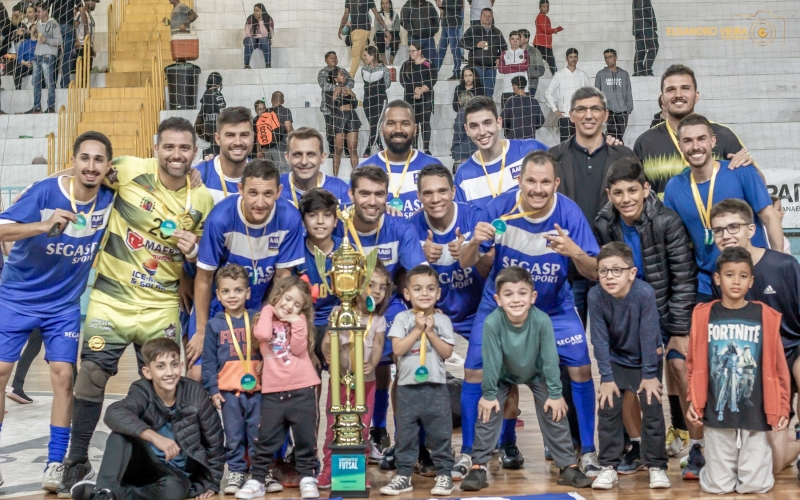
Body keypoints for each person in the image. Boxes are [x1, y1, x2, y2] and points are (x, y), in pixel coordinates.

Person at [56, 118, 215, 497]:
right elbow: (80, 175)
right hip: (111, 298)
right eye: (169, 147)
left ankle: (165, 463)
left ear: (194, 153)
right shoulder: (127, 169)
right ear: (156, 148)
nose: (176, 155)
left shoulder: (203, 199)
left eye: (184, 148)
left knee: (167, 384)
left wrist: (190, 262)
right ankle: (77, 459)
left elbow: (203, 262)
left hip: (161, 305)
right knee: (91, 376)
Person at [459, 150, 601, 477]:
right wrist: (473, 243)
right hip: (499, 307)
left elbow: (595, 272)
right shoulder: (500, 208)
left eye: (545, 182)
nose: (538, 189)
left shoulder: (568, 213)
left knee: (580, 368)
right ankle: (469, 453)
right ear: (519, 181)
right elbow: (467, 261)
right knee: (474, 372)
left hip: (553, 307)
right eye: (531, 181)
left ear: (556, 184)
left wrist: (574, 251)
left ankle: (589, 451)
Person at [0, 132, 114, 491]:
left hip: (62, 305)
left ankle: (55, 464)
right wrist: (42, 225)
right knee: (1, 372)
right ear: (74, 160)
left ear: (108, 165)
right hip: (16, 297)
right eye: (84, 158)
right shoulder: (45, 193)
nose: (91, 166)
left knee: (65, 376)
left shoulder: (111, 198)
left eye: (99, 160)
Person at [593, 157, 697, 472]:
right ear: (609, 194)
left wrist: (679, 330)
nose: (626, 199)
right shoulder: (603, 223)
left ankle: (697, 446)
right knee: (628, 383)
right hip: (629, 315)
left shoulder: (667, 221)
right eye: (619, 192)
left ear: (646, 189)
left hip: (665, 312)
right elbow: (605, 276)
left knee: (680, 368)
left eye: (632, 191)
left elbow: (683, 277)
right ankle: (638, 447)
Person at [459, 267, 593, 491]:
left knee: (555, 409)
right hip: (502, 373)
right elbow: (490, 361)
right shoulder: (492, 322)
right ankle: (478, 466)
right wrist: (490, 394)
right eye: (508, 294)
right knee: (487, 410)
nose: (516, 299)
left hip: (537, 372)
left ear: (533, 297)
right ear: (498, 299)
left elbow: (551, 359)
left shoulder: (541, 321)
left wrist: (556, 394)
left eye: (522, 293)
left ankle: (568, 466)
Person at [686, 247, 790, 494]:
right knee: (718, 487)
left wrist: (782, 405)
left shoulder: (765, 315)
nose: (736, 281)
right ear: (717, 278)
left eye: (743, 275)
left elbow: (778, 366)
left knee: (756, 486)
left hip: (754, 409)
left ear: (751, 280)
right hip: (715, 407)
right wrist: (693, 399)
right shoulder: (703, 315)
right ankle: (711, 466)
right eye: (730, 274)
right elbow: (693, 363)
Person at [192, 160, 305, 384]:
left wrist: (270, 320)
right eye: (253, 193)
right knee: (197, 373)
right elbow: (204, 279)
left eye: (268, 193)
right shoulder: (220, 218)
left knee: (263, 370)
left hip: (259, 306)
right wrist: (202, 331)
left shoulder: (290, 218)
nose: (260, 202)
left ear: (279, 192)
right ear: (240, 189)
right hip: (220, 304)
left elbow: (282, 279)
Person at [68, 338, 224, 500]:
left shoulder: (195, 393)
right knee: (119, 436)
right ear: (147, 372)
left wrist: (212, 483)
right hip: (143, 466)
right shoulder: (142, 389)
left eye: (174, 364)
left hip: (176, 476)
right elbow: (115, 412)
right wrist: (154, 437)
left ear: (182, 366)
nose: (169, 372)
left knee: (174, 490)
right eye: (160, 366)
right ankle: (104, 491)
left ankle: (105, 494)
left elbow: (215, 443)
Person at [709, 199, 800, 473]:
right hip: (758, 365)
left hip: (792, 349)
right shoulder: (721, 275)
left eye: (733, 227)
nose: (726, 235)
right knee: (771, 466)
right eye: (718, 230)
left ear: (751, 229)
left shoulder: (784, 266)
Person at [344, 166, 428, 463]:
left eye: (379, 194)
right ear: (351, 194)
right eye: (364, 193)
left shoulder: (400, 227)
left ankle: (394, 433)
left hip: (387, 302)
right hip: (343, 304)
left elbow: (417, 275)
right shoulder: (338, 226)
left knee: (400, 350)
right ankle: (348, 432)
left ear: (387, 197)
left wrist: (425, 311)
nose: (372, 201)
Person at [409, 165, 489, 478]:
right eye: (427, 192)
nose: (436, 198)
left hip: (477, 306)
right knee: (414, 374)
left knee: (488, 373)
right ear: (419, 197)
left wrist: (472, 252)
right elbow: (404, 279)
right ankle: (416, 448)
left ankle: (494, 445)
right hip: (435, 310)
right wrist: (420, 258)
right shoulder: (410, 226)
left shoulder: (474, 215)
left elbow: (491, 267)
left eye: (442, 191)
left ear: (453, 191)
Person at [663, 114, 784, 303]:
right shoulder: (674, 187)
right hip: (707, 282)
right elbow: (671, 240)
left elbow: (769, 216)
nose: (695, 147)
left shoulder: (740, 170)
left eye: (701, 139)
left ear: (713, 142)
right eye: (687, 141)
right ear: (680, 146)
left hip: (753, 275)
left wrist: (779, 264)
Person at [549, 86, 634, 325]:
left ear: (605, 115)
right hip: (566, 272)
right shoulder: (553, 158)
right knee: (566, 354)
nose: (589, 115)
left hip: (611, 267)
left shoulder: (625, 156)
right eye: (581, 109)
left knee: (616, 347)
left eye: (595, 109)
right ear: (570, 114)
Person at [588, 242, 670, 490]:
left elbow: (648, 335)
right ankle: (608, 466)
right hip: (616, 360)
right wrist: (607, 377)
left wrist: (649, 375)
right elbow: (599, 340)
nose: (609, 276)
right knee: (608, 409)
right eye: (603, 271)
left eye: (617, 270)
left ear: (631, 273)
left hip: (647, 359)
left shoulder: (644, 293)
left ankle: (656, 465)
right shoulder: (595, 296)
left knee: (652, 409)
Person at [236, 277, 321, 499]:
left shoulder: (299, 320)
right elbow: (263, 335)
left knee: (305, 439)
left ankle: (307, 477)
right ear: (279, 295)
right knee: (265, 439)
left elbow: (299, 349)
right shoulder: (264, 317)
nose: (290, 306)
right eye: (287, 299)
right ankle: (257, 480)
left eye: (297, 304)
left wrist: (297, 320)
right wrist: (269, 309)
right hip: (274, 392)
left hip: (302, 389)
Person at [380, 265, 455, 496]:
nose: (424, 293)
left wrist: (431, 332)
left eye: (430, 289)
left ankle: (444, 474)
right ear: (407, 293)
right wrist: (417, 329)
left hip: (436, 388)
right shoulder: (402, 318)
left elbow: (446, 353)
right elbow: (398, 349)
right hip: (407, 389)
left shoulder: (442, 321)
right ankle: (403, 475)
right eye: (418, 289)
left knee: (441, 433)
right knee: (405, 435)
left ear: (438, 294)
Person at [319, 262, 390, 488]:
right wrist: (327, 352)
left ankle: (356, 472)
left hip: (365, 385)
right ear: (356, 285)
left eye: (382, 287)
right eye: (371, 285)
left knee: (361, 429)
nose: (377, 291)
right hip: (339, 383)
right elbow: (328, 339)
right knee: (334, 426)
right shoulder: (338, 312)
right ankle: (328, 469)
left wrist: (372, 363)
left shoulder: (378, 320)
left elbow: (378, 345)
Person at [633, 64, 755, 195]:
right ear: (662, 98)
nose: (678, 95)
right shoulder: (645, 143)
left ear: (696, 95)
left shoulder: (724, 136)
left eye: (685, 88)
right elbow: (634, 193)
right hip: (664, 215)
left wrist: (751, 170)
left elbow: (756, 187)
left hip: (714, 215)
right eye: (671, 90)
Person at [200, 264, 262, 495]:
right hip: (228, 393)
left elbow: (269, 349)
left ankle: (259, 471)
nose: (232, 296)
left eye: (238, 290)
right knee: (233, 434)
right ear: (218, 295)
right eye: (226, 291)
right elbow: (208, 362)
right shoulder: (215, 325)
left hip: (257, 390)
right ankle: (236, 470)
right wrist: (212, 389)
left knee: (258, 432)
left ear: (248, 293)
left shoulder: (257, 319)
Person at [454, 95, 548, 210]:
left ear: (499, 123)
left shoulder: (530, 150)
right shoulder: (464, 175)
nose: (482, 132)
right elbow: (463, 220)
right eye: (474, 126)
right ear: (467, 130)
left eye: (487, 123)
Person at [359, 100, 443, 219]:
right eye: (391, 123)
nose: (398, 130)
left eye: (405, 123)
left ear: (415, 129)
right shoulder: (365, 170)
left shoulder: (433, 166)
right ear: (382, 129)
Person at [295, 188, 343, 377]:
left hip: (337, 322)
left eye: (327, 215)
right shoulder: (296, 250)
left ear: (335, 221)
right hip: (304, 324)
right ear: (303, 221)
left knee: (342, 377)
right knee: (309, 379)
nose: (320, 221)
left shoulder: (347, 251)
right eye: (313, 215)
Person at [193, 106, 253, 204]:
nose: (237, 142)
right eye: (230, 135)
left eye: (244, 135)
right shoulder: (199, 176)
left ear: (253, 137)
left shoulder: (263, 177)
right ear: (217, 139)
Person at [280, 127, 351, 208]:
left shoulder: (341, 190)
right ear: (287, 157)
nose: (304, 162)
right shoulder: (275, 188)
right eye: (297, 154)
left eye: (311, 154)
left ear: (322, 157)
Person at [544, 48, 590, 143]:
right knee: (565, 143)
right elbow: (548, 93)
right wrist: (555, 110)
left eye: (575, 57)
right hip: (565, 116)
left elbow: (589, 95)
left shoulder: (582, 75)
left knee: (580, 143)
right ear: (566, 58)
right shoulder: (559, 74)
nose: (573, 59)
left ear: (578, 58)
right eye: (571, 57)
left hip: (580, 116)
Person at [399, 42, 437, 155]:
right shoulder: (406, 64)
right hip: (410, 98)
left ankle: (426, 148)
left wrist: (422, 90)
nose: (411, 53)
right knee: (412, 123)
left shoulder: (428, 63)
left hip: (426, 98)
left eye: (413, 51)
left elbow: (433, 78)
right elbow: (403, 80)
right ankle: (414, 148)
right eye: (409, 51)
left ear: (420, 51)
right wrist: (414, 90)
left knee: (425, 122)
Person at [460, 8, 506, 98]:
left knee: (489, 94)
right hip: (476, 67)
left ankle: (487, 111)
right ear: (480, 17)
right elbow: (462, 42)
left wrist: (499, 58)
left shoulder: (497, 32)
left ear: (492, 18)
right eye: (485, 15)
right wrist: (476, 44)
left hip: (491, 68)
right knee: (475, 93)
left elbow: (504, 48)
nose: (487, 18)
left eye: (489, 16)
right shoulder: (472, 30)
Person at [25, 3, 61, 114]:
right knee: (35, 82)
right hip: (38, 55)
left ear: (45, 11)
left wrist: (47, 40)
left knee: (49, 81)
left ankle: (51, 106)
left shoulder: (54, 24)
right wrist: (35, 35)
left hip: (48, 55)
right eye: (37, 11)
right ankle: (36, 107)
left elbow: (59, 41)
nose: (38, 14)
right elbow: (37, 37)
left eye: (39, 11)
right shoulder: (38, 24)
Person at [338, 0, 389, 78]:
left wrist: (386, 29)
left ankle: (350, 78)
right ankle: (377, 71)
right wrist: (340, 28)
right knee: (364, 55)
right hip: (353, 31)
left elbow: (376, 13)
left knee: (355, 54)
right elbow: (346, 14)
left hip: (363, 29)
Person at [318, 52, 355, 156]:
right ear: (325, 60)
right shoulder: (323, 72)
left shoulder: (342, 70)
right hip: (328, 107)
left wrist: (344, 87)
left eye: (335, 57)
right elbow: (323, 85)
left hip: (343, 107)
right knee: (331, 129)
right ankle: (332, 152)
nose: (334, 59)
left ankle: (347, 152)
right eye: (331, 58)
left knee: (346, 128)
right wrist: (338, 88)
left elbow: (351, 82)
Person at [327, 67, 362, 176]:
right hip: (339, 119)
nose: (344, 76)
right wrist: (334, 95)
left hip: (351, 117)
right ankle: (335, 176)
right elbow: (331, 108)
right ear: (336, 79)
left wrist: (353, 95)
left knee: (353, 149)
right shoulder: (330, 90)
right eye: (342, 75)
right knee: (338, 150)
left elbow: (355, 105)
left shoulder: (348, 89)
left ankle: (356, 176)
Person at [594, 48, 633, 143]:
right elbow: (596, 93)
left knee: (619, 136)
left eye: (610, 57)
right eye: (606, 58)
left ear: (616, 57)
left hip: (623, 110)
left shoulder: (624, 74)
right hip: (608, 110)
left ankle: (616, 154)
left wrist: (629, 108)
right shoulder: (600, 74)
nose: (608, 60)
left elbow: (628, 91)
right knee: (612, 136)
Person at [360, 46, 391, 158]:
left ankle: (368, 149)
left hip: (380, 100)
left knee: (374, 124)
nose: (364, 58)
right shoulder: (364, 69)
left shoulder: (384, 69)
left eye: (366, 55)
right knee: (373, 125)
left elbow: (387, 84)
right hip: (367, 100)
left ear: (372, 56)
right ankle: (381, 146)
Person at [261, 91, 293, 173]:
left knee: (270, 174)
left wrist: (261, 149)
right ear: (283, 101)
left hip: (267, 149)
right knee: (284, 173)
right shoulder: (285, 111)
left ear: (271, 100)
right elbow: (289, 128)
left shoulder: (265, 112)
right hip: (281, 148)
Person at [197, 72, 226, 156]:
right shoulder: (217, 93)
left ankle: (206, 155)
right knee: (217, 147)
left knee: (214, 144)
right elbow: (222, 110)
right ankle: (209, 158)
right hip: (217, 123)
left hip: (207, 124)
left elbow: (203, 110)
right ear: (219, 82)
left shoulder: (205, 94)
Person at [498, 31, 528, 111]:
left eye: (517, 39)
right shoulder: (504, 53)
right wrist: (519, 65)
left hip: (523, 89)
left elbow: (525, 67)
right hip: (507, 88)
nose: (515, 41)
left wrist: (509, 66)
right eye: (512, 39)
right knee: (507, 114)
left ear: (520, 40)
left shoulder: (524, 52)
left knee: (523, 113)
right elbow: (501, 69)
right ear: (509, 40)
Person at [435, 0, 463, 79]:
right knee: (441, 49)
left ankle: (457, 72)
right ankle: (434, 71)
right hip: (445, 23)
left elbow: (459, 4)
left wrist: (442, 4)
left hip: (453, 23)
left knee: (454, 49)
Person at [533, 0, 561, 76]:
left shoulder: (545, 17)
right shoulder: (541, 17)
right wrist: (555, 30)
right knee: (551, 62)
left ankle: (557, 77)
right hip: (541, 44)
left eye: (548, 6)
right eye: (544, 7)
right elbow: (544, 29)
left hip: (544, 44)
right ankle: (557, 78)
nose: (546, 8)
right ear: (539, 7)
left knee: (550, 62)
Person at [451, 91, 477, 170]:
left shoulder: (462, 112)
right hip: (475, 148)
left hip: (463, 150)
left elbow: (459, 131)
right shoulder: (475, 112)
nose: (458, 102)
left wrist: (454, 146)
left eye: (459, 100)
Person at [632, 0, 658, 76]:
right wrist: (650, 21)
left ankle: (638, 71)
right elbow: (641, 10)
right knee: (653, 47)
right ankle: (646, 70)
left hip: (640, 26)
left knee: (640, 49)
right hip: (645, 26)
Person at [244, 3, 273, 69]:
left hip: (263, 42)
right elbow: (248, 34)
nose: (255, 12)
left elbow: (266, 35)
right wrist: (259, 35)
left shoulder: (268, 19)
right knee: (250, 40)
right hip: (252, 41)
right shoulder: (250, 18)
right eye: (254, 10)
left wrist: (260, 21)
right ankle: (246, 64)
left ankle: (268, 64)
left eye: (257, 10)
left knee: (264, 40)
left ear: (262, 11)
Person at [517, 29, 545, 96]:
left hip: (530, 85)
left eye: (520, 37)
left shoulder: (534, 51)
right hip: (516, 86)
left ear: (526, 39)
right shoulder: (514, 52)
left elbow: (541, 71)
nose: (517, 39)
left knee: (528, 105)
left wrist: (525, 73)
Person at [71, 0, 96, 76]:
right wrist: (77, 41)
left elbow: (90, 33)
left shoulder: (89, 16)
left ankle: (85, 86)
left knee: (87, 71)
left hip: (88, 46)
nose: (95, 4)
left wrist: (92, 47)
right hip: (82, 46)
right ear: (87, 2)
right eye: (93, 2)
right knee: (81, 71)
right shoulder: (80, 14)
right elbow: (73, 28)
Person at [374, 0, 400, 65]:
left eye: (386, 3)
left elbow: (397, 29)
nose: (384, 5)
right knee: (379, 38)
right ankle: (384, 61)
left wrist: (389, 36)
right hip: (381, 33)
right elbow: (377, 29)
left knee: (396, 40)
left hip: (392, 33)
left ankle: (391, 61)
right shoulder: (378, 15)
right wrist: (385, 36)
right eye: (383, 3)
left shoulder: (395, 15)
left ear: (390, 4)